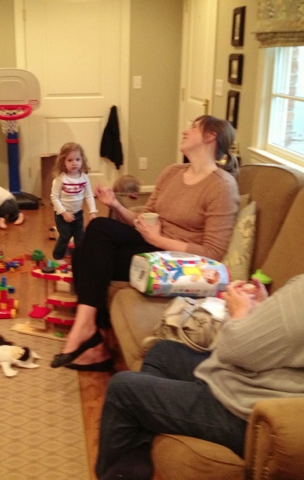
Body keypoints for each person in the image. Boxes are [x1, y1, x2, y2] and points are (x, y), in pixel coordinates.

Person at [95, 185, 304, 480]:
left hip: (243, 411)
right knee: (164, 353)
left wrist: (239, 311)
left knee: (124, 389)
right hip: (277, 389)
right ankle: (144, 444)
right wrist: (265, 309)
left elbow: (231, 350)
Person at [50, 115, 240, 371]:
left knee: (91, 253)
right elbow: (145, 218)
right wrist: (116, 205)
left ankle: (91, 334)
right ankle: (93, 334)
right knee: (97, 231)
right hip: (151, 245)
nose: (185, 131)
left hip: (178, 263)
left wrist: (158, 239)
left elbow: (213, 252)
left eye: (194, 127)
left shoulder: (222, 186)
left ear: (210, 136)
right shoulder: (173, 172)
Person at [50, 142, 98, 261]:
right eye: (70, 160)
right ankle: (57, 256)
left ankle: (79, 258)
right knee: (65, 236)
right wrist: (64, 213)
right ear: (63, 162)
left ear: (82, 160)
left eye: (77, 159)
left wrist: (93, 211)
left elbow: (89, 195)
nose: (74, 163)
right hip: (62, 215)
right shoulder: (60, 179)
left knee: (80, 237)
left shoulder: (84, 177)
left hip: (77, 214)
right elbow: (54, 197)